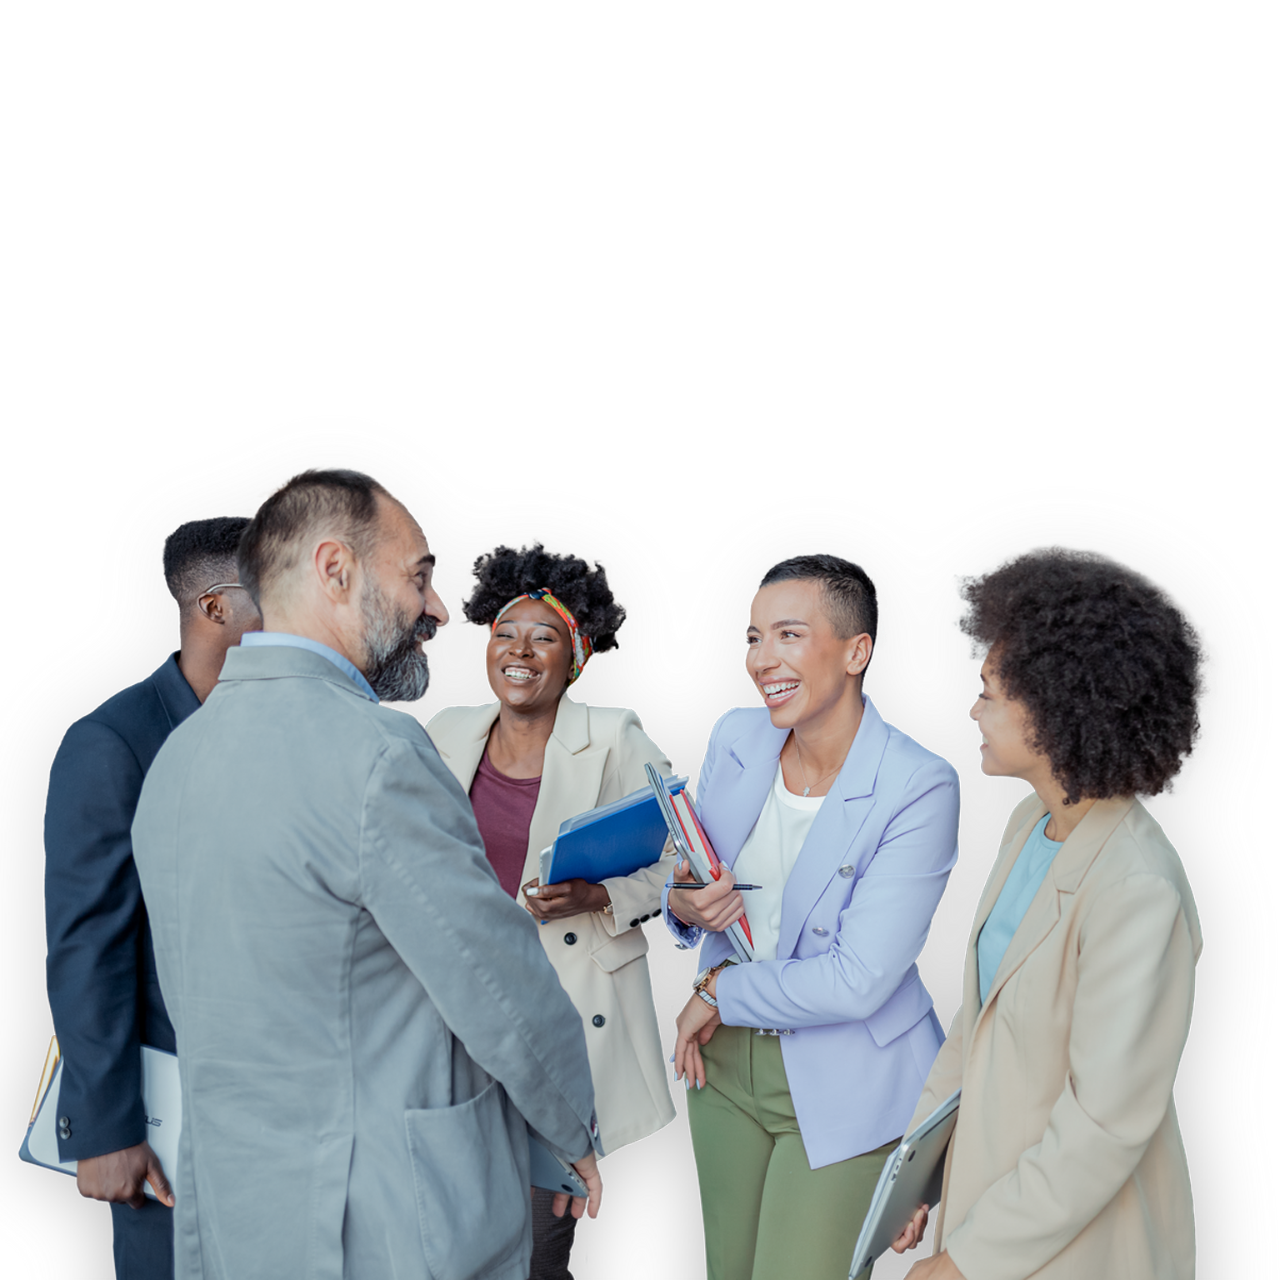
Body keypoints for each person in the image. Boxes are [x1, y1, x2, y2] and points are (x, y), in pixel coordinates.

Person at [130, 467, 602, 1280]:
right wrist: (572, 1126)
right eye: (418, 577)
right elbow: (496, 980)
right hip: (381, 1224)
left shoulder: (178, 758)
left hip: (236, 1223)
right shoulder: (379, 756)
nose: (438, 608)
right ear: (335, 570)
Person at [891, 544, 1211, 1279]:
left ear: (1060, 709)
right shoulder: (1028, 822)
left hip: (1079, 1246)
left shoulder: (1138, 888)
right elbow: (976, 1021)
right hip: (989, 1198)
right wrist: (914, 1174)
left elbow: (1104, 1124)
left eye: (990, 694)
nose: (972, 710)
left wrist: (966, 1262)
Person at [665, 552, 961, 1280]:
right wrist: (681, 904)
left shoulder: (918, 784)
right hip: (722, 1065)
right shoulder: (736, 736)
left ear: (857, 652)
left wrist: (717, 992)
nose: (762, 659)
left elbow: (858, 979)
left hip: (849, 1075)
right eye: (753, 638)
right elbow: (691, 880)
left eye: (789, 635)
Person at [426, 538, 677, 1278]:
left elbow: (688, 862)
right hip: (456, 1018)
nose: (519, 650)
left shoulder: (616, 737)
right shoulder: (445, 733)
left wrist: (603, 896)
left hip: (562, 1027)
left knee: (539, 1247)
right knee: (447, 1234)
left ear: (576, 658)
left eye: (544, 638)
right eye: (505, 633)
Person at [43, 515, 260, 1278]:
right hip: (170, 1123)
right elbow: (87, 943)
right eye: (278, 592)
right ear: (215, 606)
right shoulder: (113, 741)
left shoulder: (285, 730)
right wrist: (107, 1131)